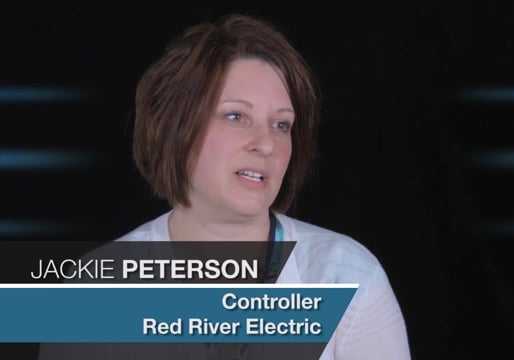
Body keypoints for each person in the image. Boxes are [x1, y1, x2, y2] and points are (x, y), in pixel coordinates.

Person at [40, 14, 411, 360]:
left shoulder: (348, 277)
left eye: (281, 125)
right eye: (236, 116)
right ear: (174, 128)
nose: (265, 144)